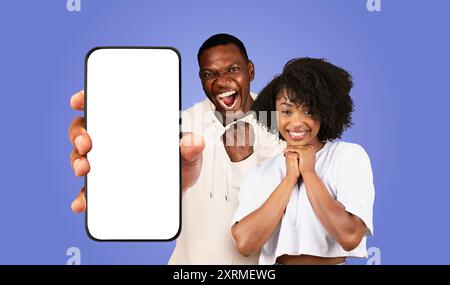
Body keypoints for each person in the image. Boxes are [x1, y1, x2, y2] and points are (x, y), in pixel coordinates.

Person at [67, 34, 284, 264]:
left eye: (232, 69)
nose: (221, 81)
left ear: (250, 70)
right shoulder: (182, 125)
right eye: (210, 74)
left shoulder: (284, 127)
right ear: (201, 79)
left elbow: (286, 220)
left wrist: (244, 161)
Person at [231, 58, 375, 265]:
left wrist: (309, 173)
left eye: (308, 111)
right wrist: (290, 177)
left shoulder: (347, 156)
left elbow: (350, 236)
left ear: (325, 111)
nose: (296, 122)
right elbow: (245, 244)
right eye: (286, 111)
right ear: (274, 113)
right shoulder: (261, 171)